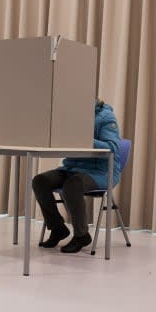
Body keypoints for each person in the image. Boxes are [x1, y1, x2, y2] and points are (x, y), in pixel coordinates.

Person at [33, 99, 122, 253]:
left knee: (73, 184)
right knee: (40, 181)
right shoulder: (70, 116)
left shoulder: (105, 117)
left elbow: (112, 148)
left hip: (100, 171)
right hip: (71, 168)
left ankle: (82, 235)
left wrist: (85, 138)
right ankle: (58, 228)